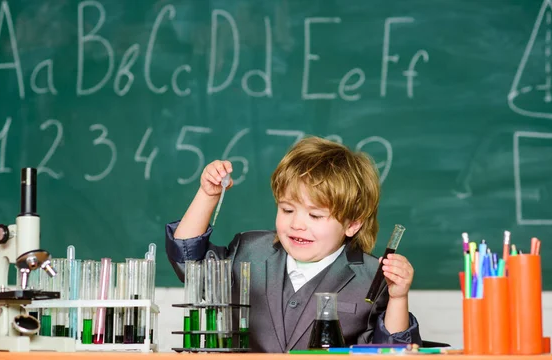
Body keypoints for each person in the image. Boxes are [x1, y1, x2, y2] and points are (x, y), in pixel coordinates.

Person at [165, 136, 421, 352]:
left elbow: (394, 351)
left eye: (315, 215)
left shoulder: (372, 277)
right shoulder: (249, 251)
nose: (297, 224)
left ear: (352, 224)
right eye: (287, 210)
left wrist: (398, 298)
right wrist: (208, 195)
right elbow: (188, 262)